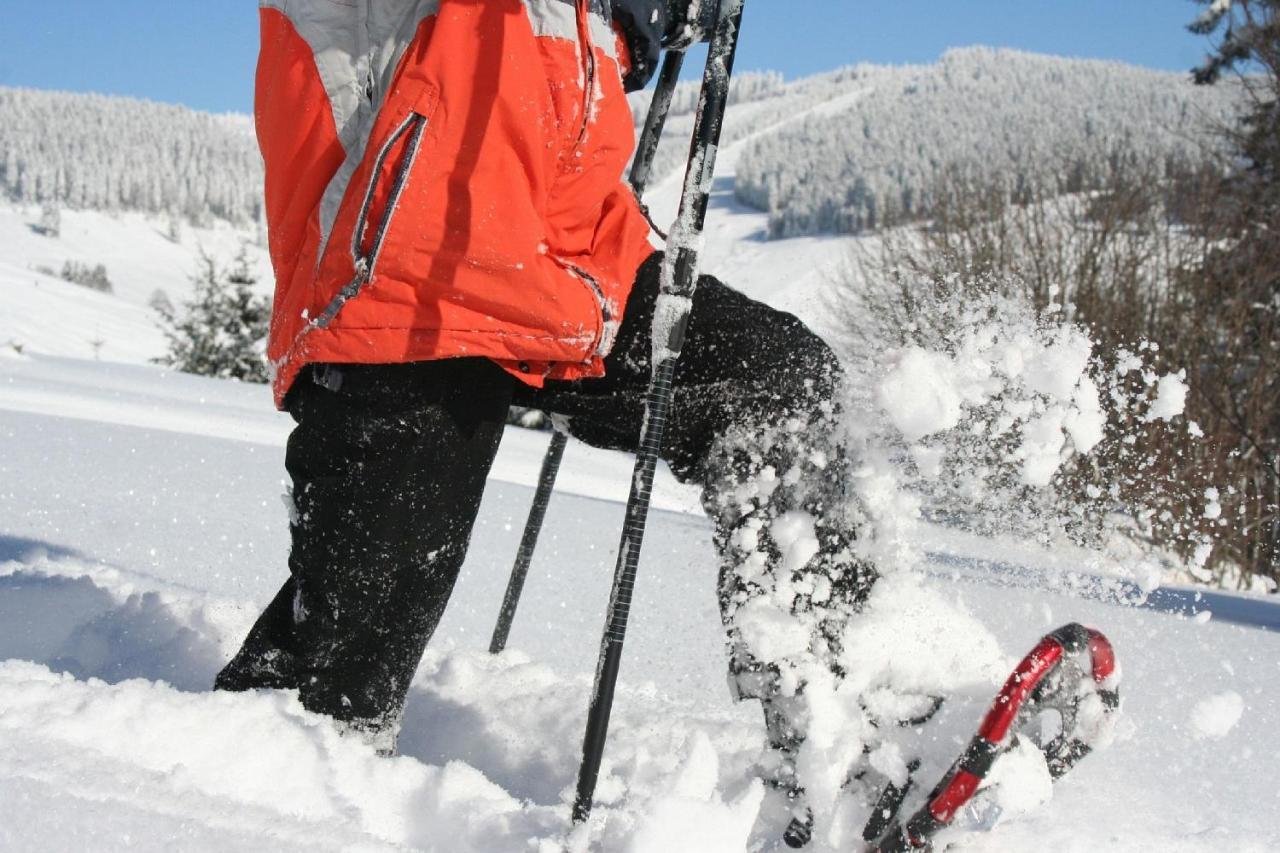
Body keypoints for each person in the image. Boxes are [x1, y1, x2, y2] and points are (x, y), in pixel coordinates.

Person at [216, 0, 876, 806]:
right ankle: (228, 809)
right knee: (328, 702)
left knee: (781, 382)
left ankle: (839, 736)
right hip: (408, 269)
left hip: (572, 266)